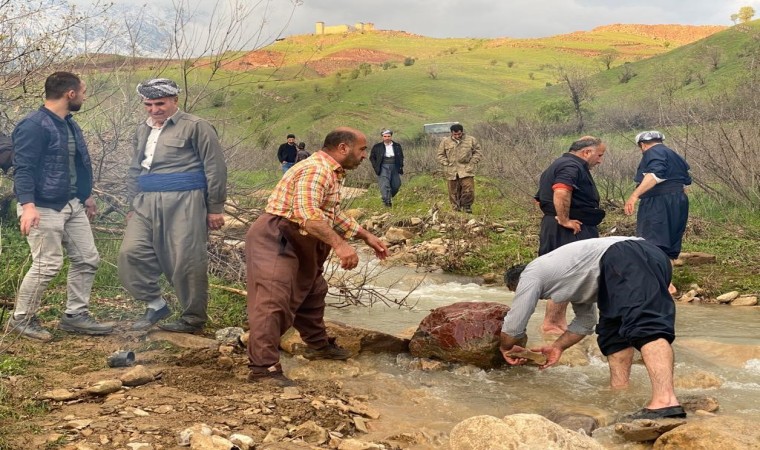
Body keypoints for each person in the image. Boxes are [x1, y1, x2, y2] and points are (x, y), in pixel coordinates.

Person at [245, 127, 389, 385]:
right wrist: (341, 245)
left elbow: (330, 213)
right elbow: (309, 216)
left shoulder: (331, 171)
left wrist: (365, 235)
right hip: (278, 236)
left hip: (299, 236)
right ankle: (263, 368)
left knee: (313, 292)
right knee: (273, 299)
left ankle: (318, 346)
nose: (365, 155)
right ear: (343, 148)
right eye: (362, 149)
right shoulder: (316, 170)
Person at [500, 236, 686, 420]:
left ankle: (665, 401)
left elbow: (515, 323)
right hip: (629, 263)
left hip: (627, 254)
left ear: (516, 282)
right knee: (613, 335)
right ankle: (620, 395)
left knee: (646, 325)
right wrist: (557, 347)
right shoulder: (571, 278)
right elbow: (585, 322)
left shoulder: (531, 272)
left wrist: (506, 347)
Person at [6, 71, 113, 341]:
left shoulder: (69, 123)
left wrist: (86, 195)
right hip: (42, 206)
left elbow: (76, 163)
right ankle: (22, 318)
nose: (85, 96)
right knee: (47, 264)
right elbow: (24, 169)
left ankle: (75, 315)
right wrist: (27, 205)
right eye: (83, 90)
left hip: (72, 203)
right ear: (70, 93)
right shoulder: (33, 125)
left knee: (88, 258)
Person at [118, 78, 227, 333]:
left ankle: (193, 319)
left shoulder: (197, 126)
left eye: (160, 103)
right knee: (130, 253)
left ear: (174, 101)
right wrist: (131, 204)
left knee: (186, 260)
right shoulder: (141, 130)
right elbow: (135, 167)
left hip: (185, 199)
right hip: (146, 201)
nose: (154, 109)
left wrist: (215, 208)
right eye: (148, 104)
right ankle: (155, 304)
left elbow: (215, 168)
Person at [535, 136, 606, 335]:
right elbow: (561, 191)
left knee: (564, 273)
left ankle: (556, 322)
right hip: (569, 227)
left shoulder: (559, 164)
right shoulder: (571, 166)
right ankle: (553, 324)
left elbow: (539, 200)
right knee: (567, 273)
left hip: (557, 225)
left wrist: (555, 217)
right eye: (599, 155)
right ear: (587, 152)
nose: (600, 160)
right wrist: (564, 219)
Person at [624, 130, 691, 266]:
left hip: (658, 202)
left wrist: (634, 196)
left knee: (653, 242)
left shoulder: (653, 152)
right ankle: (668, 281)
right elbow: (685, 182)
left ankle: (657, 281)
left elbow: (655, 175)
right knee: (671, 243)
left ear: (642, 145)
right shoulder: (674, 155)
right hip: (679, 199)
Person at [436, 123, 481, 213]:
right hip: (451, 170)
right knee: (453, 191)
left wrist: (472, 162)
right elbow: (440, 155)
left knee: (468, 189)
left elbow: (478, 152)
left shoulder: (471, 140)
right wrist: (446, 162)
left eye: (459, 134)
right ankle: (456, 209)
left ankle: (466, 207)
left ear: (462, 132)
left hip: (466, 169)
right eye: (455, 134)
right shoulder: (445, 142)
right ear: (451, 133)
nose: (457, 136)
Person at [369, 129, 404, 207]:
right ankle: (387, 202)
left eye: (389, 136)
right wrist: (376, 167)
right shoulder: (377, 146)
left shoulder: (397, 146)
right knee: (385, 184)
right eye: (385, 136)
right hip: (383, 165)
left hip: (394, 165)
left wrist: (401, 165)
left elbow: (401, 156)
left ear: (391, 136)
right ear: (382, 137)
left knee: (396, 184)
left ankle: (388, 196)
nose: (387, 138)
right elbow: (372, 157)